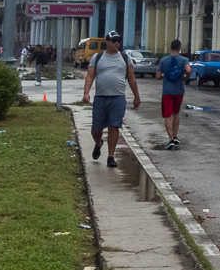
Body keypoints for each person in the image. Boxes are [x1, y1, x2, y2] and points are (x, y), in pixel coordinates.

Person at [81, 30, 142, 169]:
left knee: (114, 126)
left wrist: (136, 97)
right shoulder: (97, 57)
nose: (117, 43)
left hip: (118, 98)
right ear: (107, 42)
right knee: (96, 128)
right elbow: (90, 76)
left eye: (118, 41)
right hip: (100, 98)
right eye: (114, 41)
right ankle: (98, 143)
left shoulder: (125, 58)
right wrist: (86, 93)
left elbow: (131, 78)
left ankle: (110, 156)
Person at [156, 39, 192, 150]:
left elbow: (157, 77)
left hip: (167, 91)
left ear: (170, 47)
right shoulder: (184, 59)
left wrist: (163, 75)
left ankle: (171, 139)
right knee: (176, 113)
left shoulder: (163, 60)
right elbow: (189, 70)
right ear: (179, 47)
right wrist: (186, 77)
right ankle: (175, 136)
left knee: (167, 115)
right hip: (179, 91)